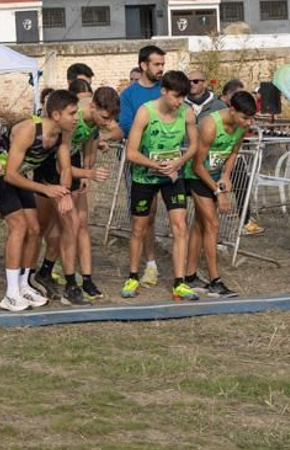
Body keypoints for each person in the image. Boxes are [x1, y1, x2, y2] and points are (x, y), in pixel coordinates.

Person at [0, 90, 78, 312]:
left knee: (35, 229)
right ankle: (10, 293)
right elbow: (9, 175)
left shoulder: (63, 134)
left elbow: (64, 168)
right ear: (56, 115)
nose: (76, 118)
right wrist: (46, 189)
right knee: (19, 226)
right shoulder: (30, 130)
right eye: (72, 113)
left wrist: (64, 192)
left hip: (19, 176)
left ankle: (23, 284)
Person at [123, 70, 198, 302]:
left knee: (180, 226)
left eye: (183, 98)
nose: (179, 102)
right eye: (175, 97)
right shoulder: (146, 112)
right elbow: (131, 153)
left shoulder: (187, 113)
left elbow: (194, 146)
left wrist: (178, 162)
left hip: (172, 176)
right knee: (139, 227)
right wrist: (153, 164)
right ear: (163, 91)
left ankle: (179, 283)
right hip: (144, 177)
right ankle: (133, 276)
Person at [39, 82, 117, 302]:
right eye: (105, 117)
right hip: (52, 167)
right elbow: (60, 164)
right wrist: (87, 173)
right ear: (92, 107)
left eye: (111, 118)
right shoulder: (73, 120)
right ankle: (69, 281)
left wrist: (85, 172)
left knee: (81, 223)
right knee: (62, 226)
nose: (108, 123)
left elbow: (91, 143)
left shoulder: (94, 122)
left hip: (72, 165)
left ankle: (85, 278)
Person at [182, 90, 257, 298]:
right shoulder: (210, 125)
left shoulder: (241, 128)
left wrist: (226, 176)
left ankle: (190, 276)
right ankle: (216, 281)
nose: (248, 122)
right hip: (197, 176)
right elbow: (197, 165)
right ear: (232, 111)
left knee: (200, 225)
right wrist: (218, 191)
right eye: (244, 117)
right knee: (213, 224)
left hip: (214, 175)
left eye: (251, 118)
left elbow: (233, 152)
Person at [118, 45, 167, 286]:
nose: (161, 69)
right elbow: (127, 126)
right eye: (157, 64)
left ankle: (178, 269)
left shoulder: (166, 90)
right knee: (144, 215)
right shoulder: (129, 95)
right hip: (141, 163)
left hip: (169, 163)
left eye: (162, 65)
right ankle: (149, 264)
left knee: (169, 215)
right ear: (144, 65)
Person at [219, 78, 262, 235]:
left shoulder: (241, 121)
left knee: (242, 185)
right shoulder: (217, 112)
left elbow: (236, 146)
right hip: (214, 159)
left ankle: (245, 220)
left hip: (231, 157)